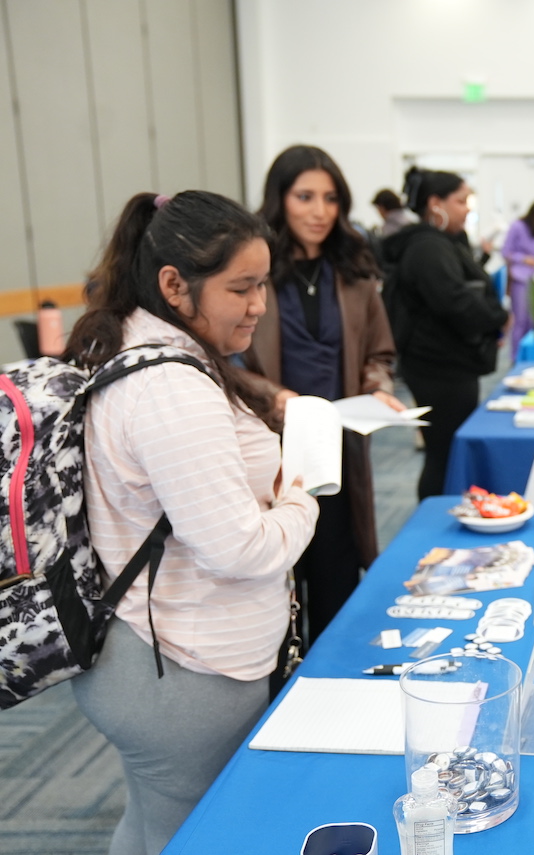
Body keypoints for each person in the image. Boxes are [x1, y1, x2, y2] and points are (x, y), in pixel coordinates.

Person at [69, 191, 320, 853]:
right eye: (242, 287)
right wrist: (301, 499)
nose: (259, 305)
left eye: (264, 284)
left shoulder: (135, 345)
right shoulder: (172, 387)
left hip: (150, 654)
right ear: (174, 285)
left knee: (155, 824)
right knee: (193, 834)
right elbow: (235, 547)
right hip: (182, 670)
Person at [243, 144, 400, 645]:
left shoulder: (353, 271)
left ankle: (327, 699)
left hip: (336, 449)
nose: (319, 211)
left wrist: (377, 389)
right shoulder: (251, 274)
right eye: (305, 196)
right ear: (279, 200)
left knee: (335, 579)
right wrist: (275, 397)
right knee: (275, 590)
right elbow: (225, 362)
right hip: (268, 450)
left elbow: (379, 352)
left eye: (330, 198)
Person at [381, 170, 509, 498]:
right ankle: (434, 521)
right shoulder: (427, 248)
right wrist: (496, 318)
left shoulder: (442, 243)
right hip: (438, 365)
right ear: (435, 204)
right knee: (445, 452)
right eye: (461, 201)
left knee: (447, 450)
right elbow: (455, 301)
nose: (467, 209)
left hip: (444, 361)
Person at [501, 200, 534, 350]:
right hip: (520, 278)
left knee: (531, 321)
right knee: (520, 320)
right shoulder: (517, 226)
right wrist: (524, 259)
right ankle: (517, 356)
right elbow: (505, 252)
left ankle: (529, 354)